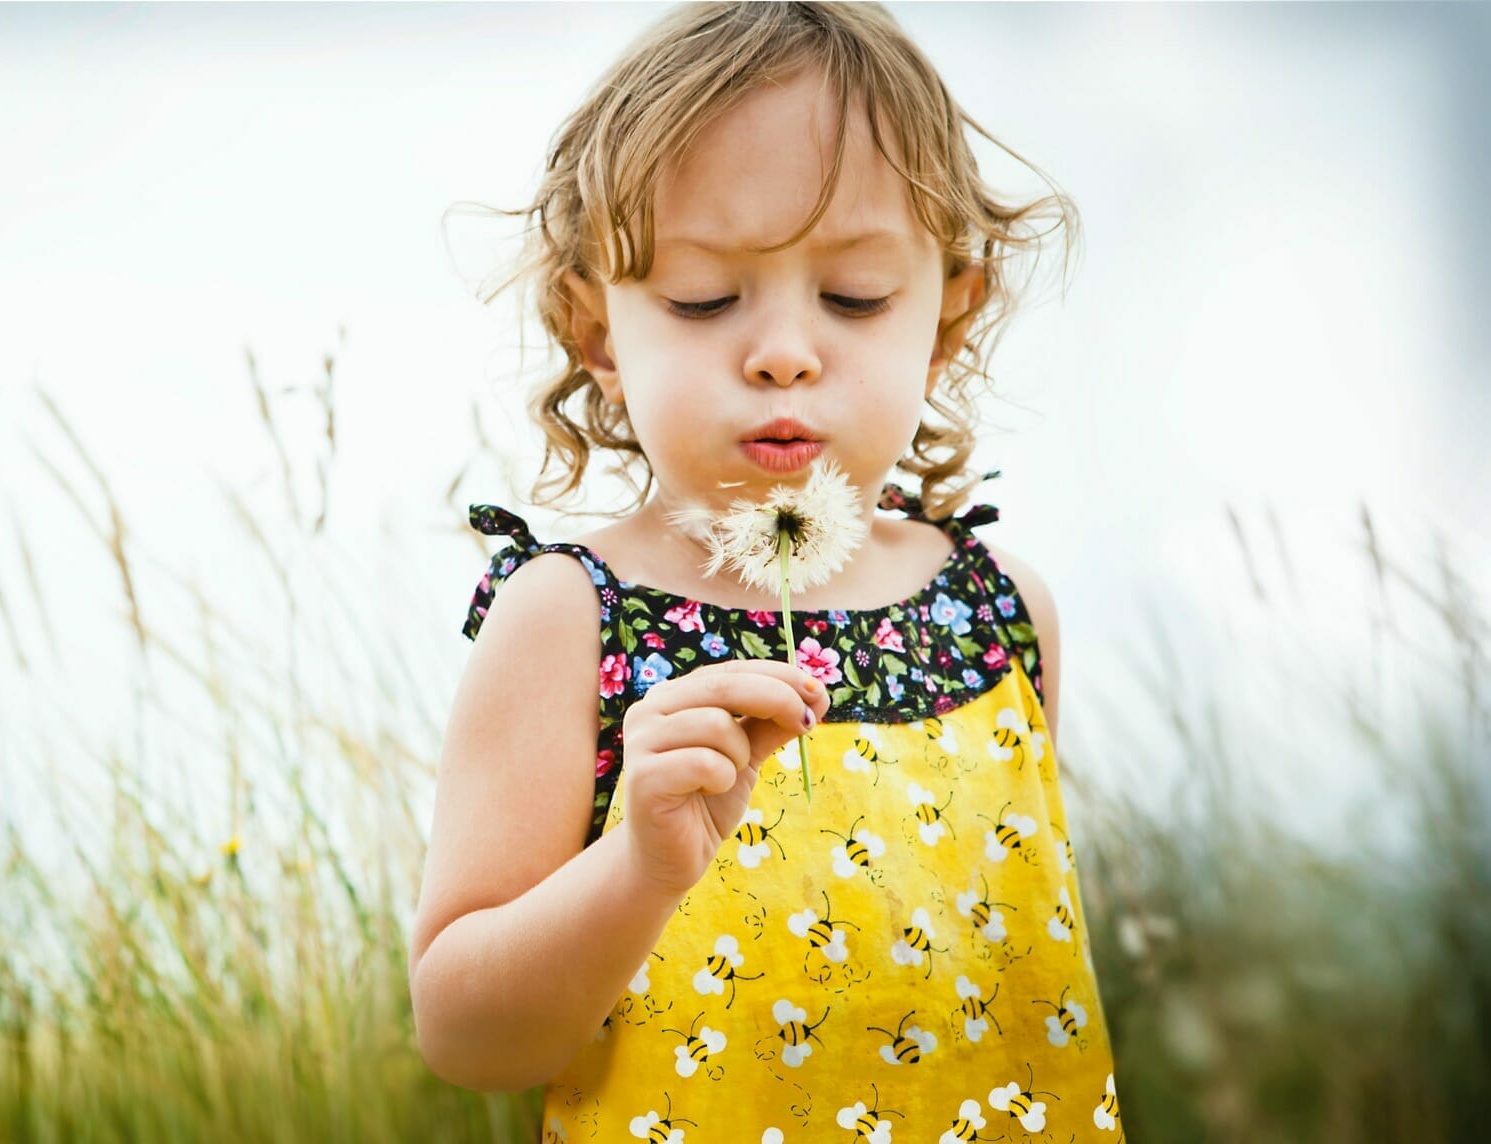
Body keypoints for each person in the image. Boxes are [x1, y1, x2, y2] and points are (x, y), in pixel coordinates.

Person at [409, 3, 1123, 1139]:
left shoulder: (1000, 615)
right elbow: (466, 1034)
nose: (785, 350)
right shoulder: (570, 620)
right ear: (599, 329)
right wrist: (639, 867)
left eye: (855, 298)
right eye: (702, 298)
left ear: (948, 316)